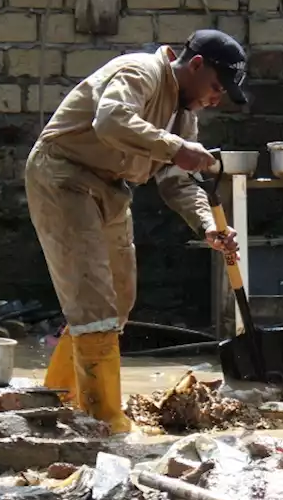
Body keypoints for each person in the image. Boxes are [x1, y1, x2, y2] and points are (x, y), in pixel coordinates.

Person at [24, 30, 245, 434]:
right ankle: (104, 421)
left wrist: (209, 225)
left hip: (110, 187)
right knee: (93, 302)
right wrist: (174, 147)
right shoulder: (140, 71)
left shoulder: (185, 118)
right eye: (215, 87)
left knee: (119, 301)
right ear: (195, 65)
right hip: (63, 176)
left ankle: (57, 398)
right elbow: (110, 121)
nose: (217, 98)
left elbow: (177, 181)